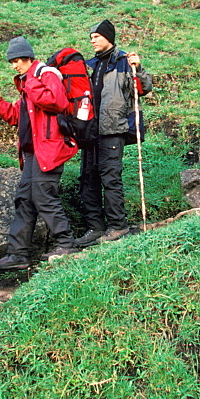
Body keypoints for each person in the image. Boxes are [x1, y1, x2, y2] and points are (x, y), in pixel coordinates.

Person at [0, 36, 79, 269]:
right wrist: (0, 103)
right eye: (12, 62)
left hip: (49, 149)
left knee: (43, 196)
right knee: (24, 200)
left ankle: (66, 244)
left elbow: (57, 102)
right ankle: (17, 254)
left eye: (18, 60)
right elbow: (16, 117)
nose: (15, 66)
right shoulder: (29, 83)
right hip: (32, 152)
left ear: (29, 58)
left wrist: (29, 82)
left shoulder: (45, 75)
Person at [73, 20, 153, 247]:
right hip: (91, 131)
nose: (92, 40)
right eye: (91, 37)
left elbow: (143, 88)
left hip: (113, 128)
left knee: (110, 178)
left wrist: (139, 68)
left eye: (96, 36)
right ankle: (95, 227)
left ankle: (118, 226)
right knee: (88, 179)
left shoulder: (124, 60)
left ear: (108, 37)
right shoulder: (93, 65)